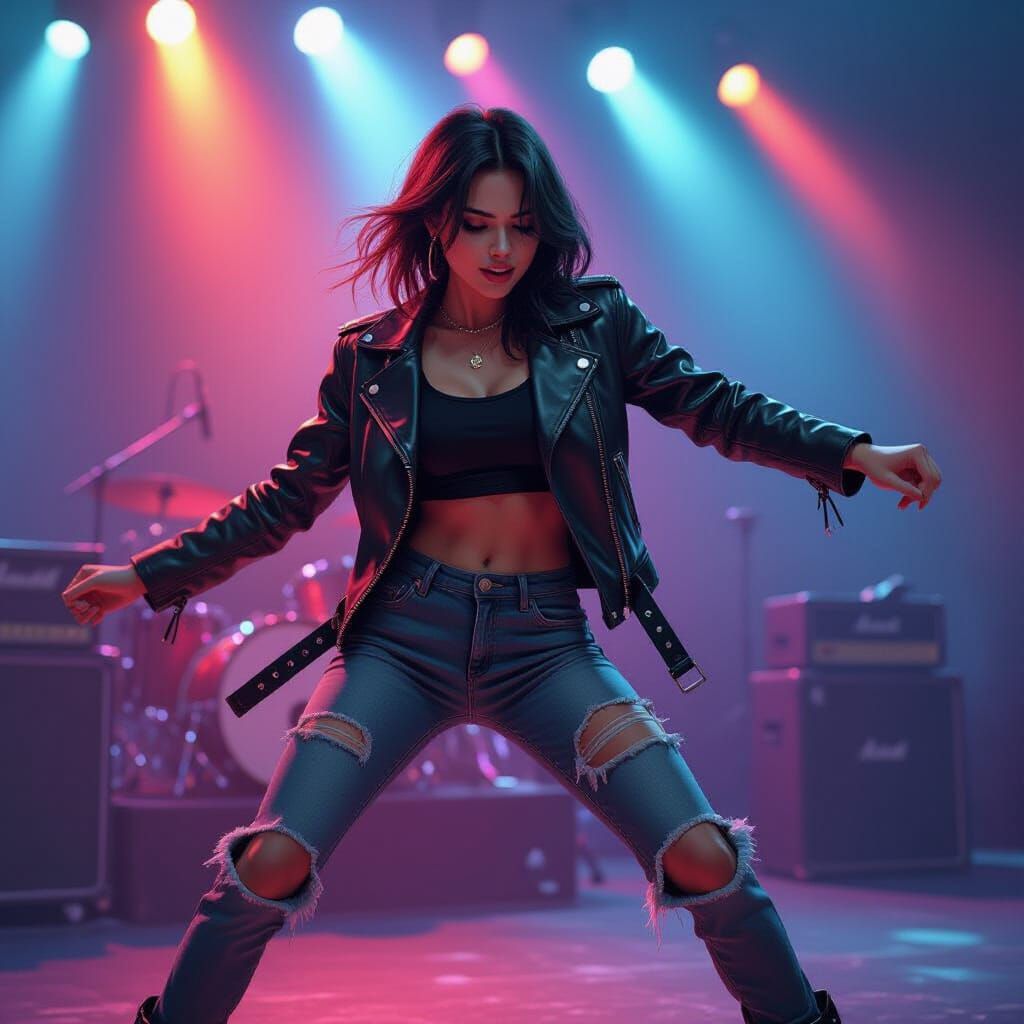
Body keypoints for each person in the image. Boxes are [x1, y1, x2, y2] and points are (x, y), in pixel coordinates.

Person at [62, 105, 941, 1024]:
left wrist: (853, 453)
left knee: (705, 856)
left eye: (521, 225)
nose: (500, 248)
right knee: (271, 857)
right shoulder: (370, 357)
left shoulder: (594, 324)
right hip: (401, 644)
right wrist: (152, 575)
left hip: (545, 648)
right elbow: (288, 498)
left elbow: (713, 404)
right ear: (436, 222)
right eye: (478, 223)